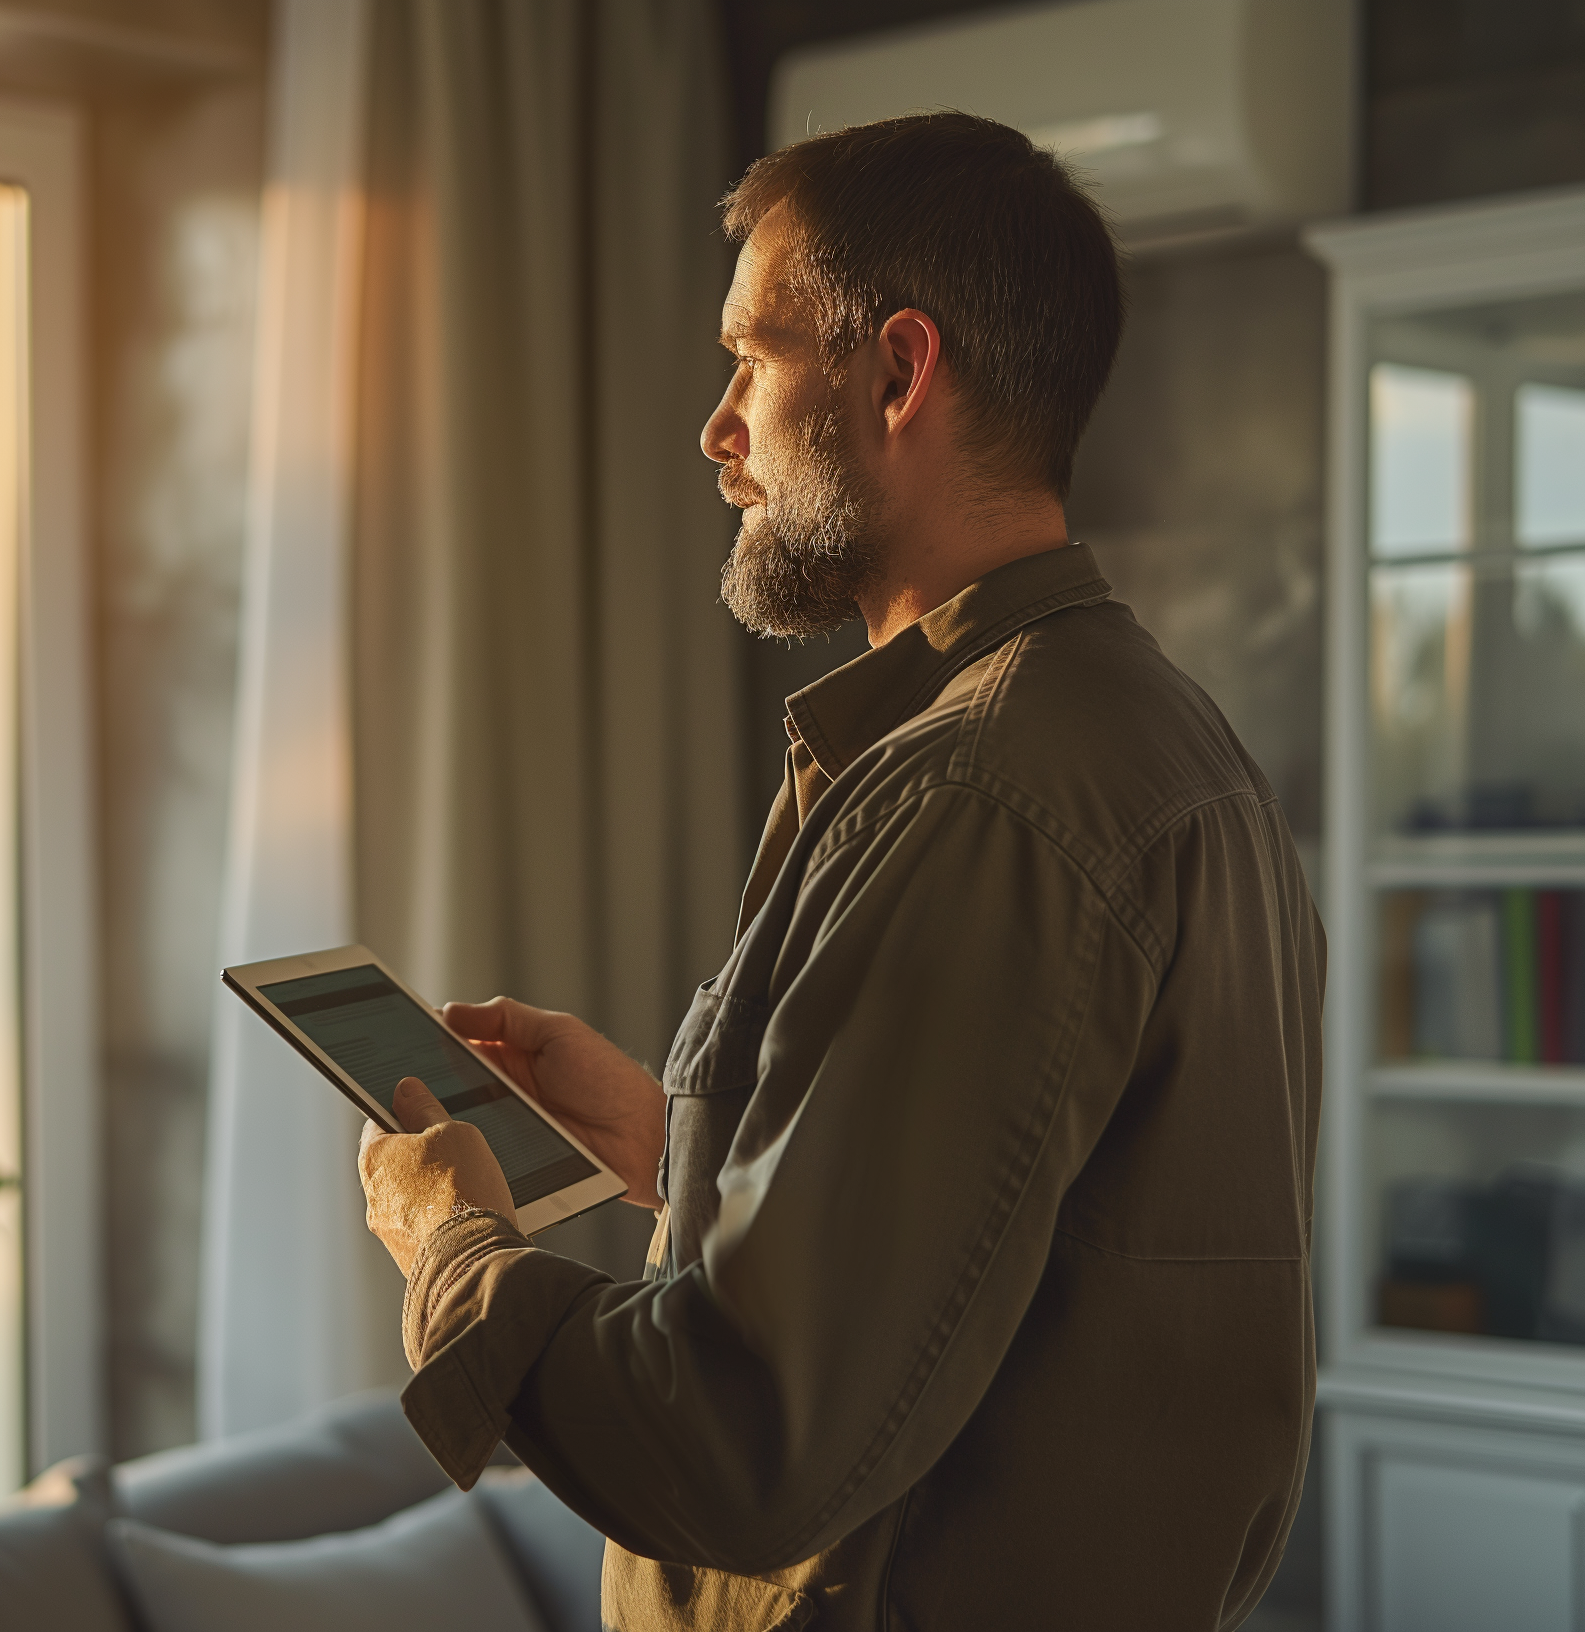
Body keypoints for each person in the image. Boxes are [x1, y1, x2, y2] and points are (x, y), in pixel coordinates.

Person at [354, 111, 1324, 1630]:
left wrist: (453, 1245)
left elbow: (744, 1436)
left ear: (896, 373)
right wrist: (672, 1153)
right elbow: (1028, 1266)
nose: (717, 426)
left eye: (753, 355)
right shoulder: (1162, 748)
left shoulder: (977, 795)